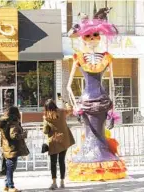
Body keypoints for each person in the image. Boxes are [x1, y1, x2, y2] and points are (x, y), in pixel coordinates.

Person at [66, 7, 126, 181]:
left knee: (100, 134)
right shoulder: (78, 57)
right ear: (83, 38)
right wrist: (75, 104)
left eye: (95, 35)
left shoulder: (106, 57)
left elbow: (112, 83)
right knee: (91, 134)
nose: (92, 39)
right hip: (87, 101)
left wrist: (113, 107)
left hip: (101, 100)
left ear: (100, 36)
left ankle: (102, 163)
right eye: (88, 36)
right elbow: (69, 86)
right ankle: (94, 164)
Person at [43, 99, 75, 190]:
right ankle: (62, 182)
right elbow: (70, 110)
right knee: (62, 161)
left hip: (53, 141)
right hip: (64, 139)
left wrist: (45, 122)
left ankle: (54, 182)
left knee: (53, 162)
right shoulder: (62, 112)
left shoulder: (46, 116)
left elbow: (45, 131)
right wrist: (66, 102)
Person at [0, 106, 29, 192]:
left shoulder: (5, 122)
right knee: (11, 168)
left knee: (9, 167)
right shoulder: (13, 122)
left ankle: (7, 186)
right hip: (12, 149)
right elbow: (14, 135)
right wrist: (24, 135)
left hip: (6, 147)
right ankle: (11, 187)